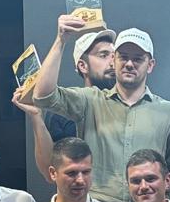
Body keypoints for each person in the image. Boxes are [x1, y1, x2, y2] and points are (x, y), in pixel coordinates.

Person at [29, 20, 170, 202]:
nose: (129, 64)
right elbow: (43, 96)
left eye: (137, 59)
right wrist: (61, 40)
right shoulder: (90, 100)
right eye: (123, 57)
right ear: (114, 60)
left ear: (150, 65)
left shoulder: (169, 112)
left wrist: (158, 184)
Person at [31, 29, 116, 173]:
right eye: (104, 55)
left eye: (115, 56)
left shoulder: (131, 105)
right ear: (83, 66)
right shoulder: (63, 110)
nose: (113, 62)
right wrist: (35, 115)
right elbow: (49, 170)